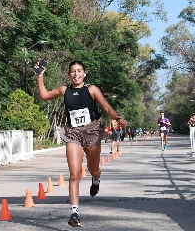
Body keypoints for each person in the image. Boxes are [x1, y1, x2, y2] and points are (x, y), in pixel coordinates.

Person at [35, 59, 127, 227]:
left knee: (93, 168)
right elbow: (43, 95)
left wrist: (117, 117)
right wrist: (40, 75)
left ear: (84, 73)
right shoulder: (65, 90)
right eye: (73, 71)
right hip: (73, 133)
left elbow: (106, 107)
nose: (76, 74)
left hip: (91, 131)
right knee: (74, 173)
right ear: (69, 74)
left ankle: (96, 178)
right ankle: (75, 213)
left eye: (79, 70)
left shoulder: (91, 89)